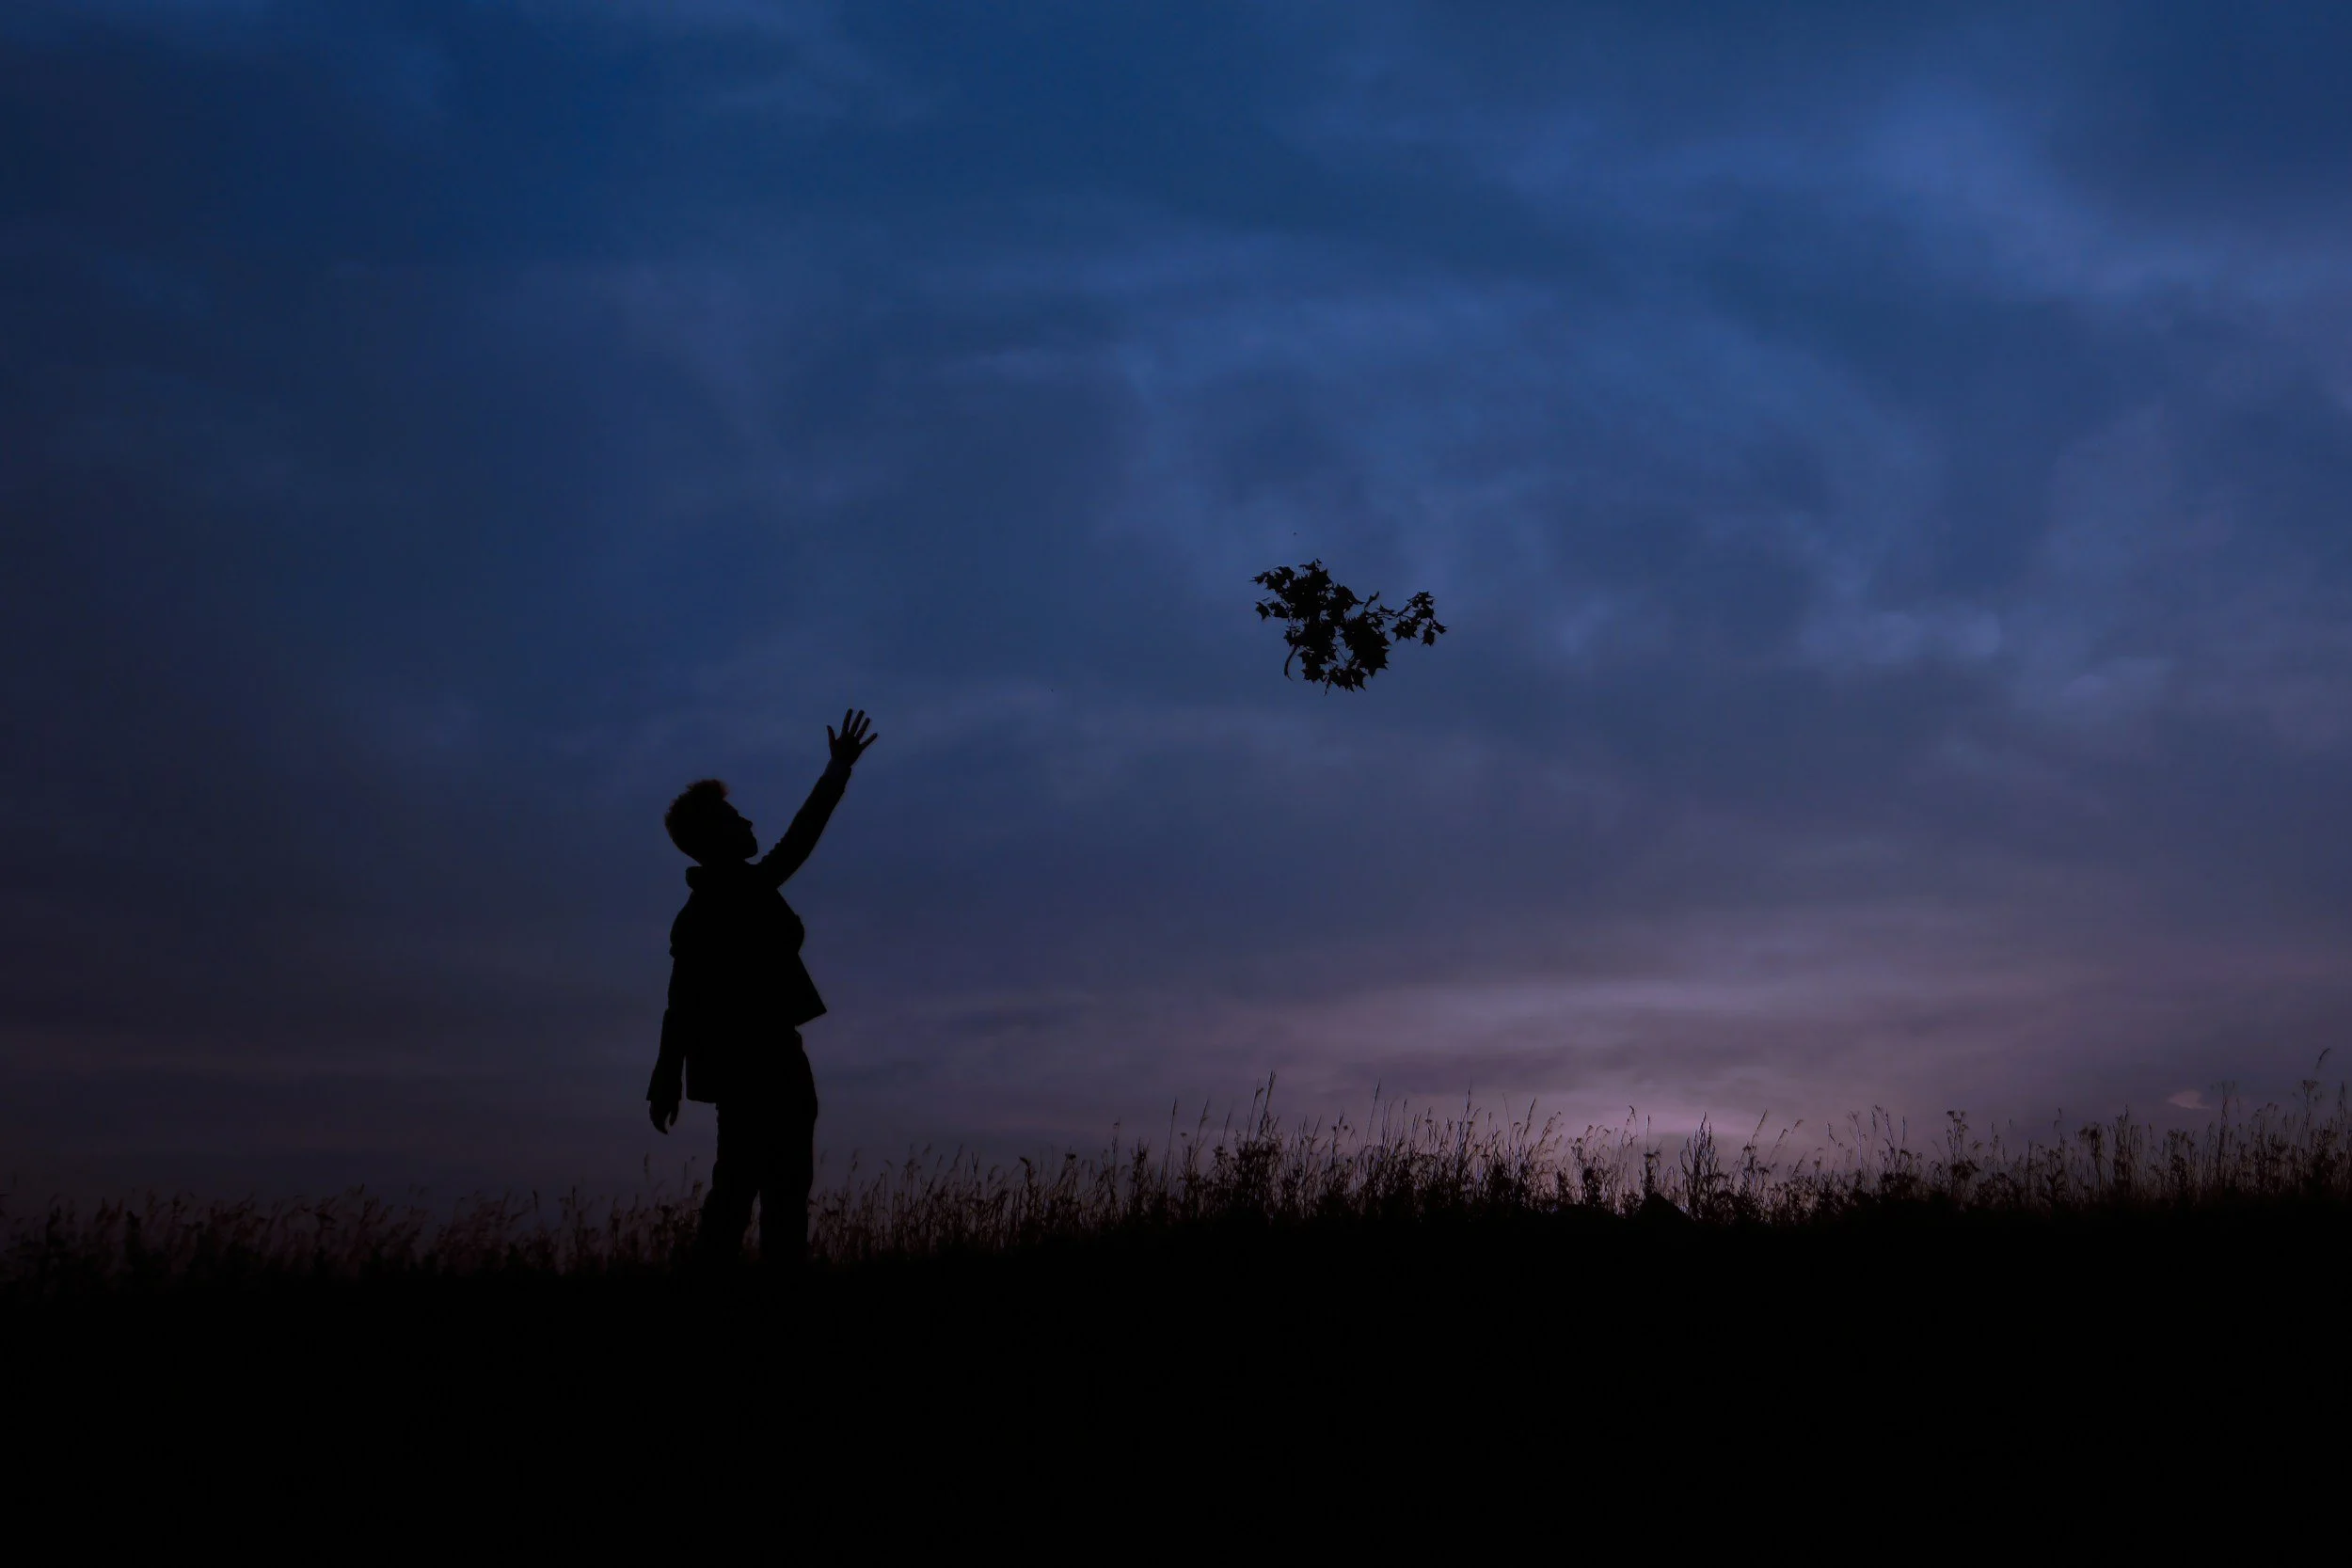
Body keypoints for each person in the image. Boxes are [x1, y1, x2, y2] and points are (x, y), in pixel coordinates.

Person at [648, 708, 878, 1269]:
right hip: (757, 1060)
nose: (747, 820)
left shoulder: (725, 895)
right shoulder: (721, 901)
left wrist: (666, 1078)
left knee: (760, 1187)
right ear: (713, 837)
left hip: (761, 1057)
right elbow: (681, 1001)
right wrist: (664, 1076)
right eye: (733, 817)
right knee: (758, 1191)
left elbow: (680, 1002)